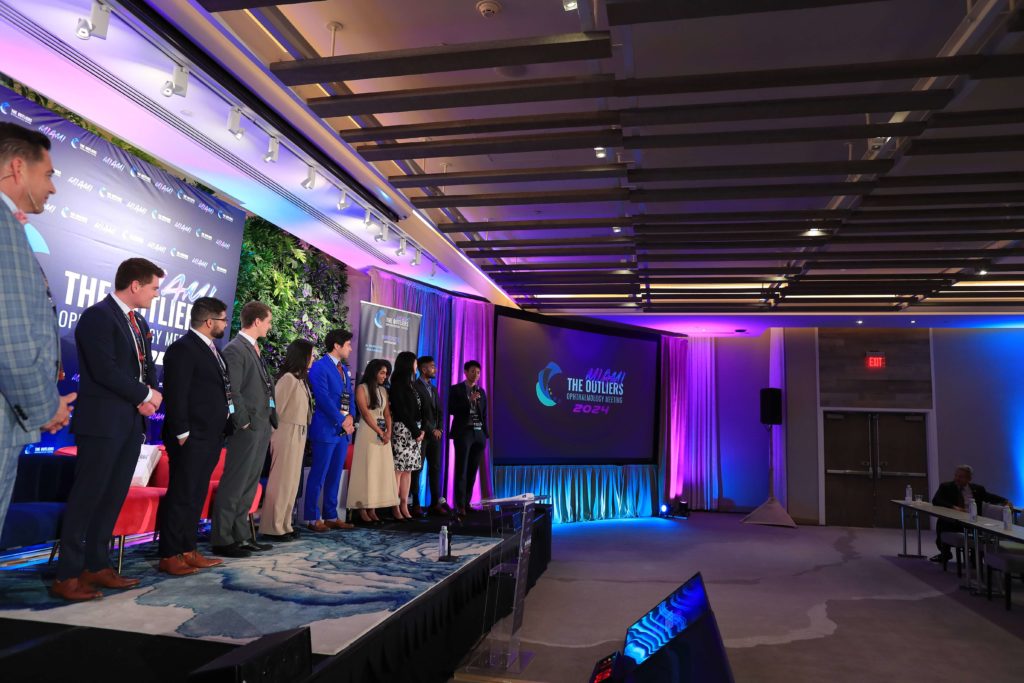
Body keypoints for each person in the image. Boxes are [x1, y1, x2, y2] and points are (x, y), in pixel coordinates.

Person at [51, 258, 164, 601]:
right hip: (101, 423)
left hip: (130, 422)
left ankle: (96, 565)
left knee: (113, 496)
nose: (156, 294)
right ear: (135, 285)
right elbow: (104, 370)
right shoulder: (98, 316)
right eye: (154, 288)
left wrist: (150, 395)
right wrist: (144, 395)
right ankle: (67, 574)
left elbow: (146, 367)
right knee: (88, 496)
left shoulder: (139, 322)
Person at [0, 123, 74, 539]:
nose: (52, 187)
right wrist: (46, 406)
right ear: (17, 167)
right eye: (47, 174)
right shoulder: (4, 227)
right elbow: (8, 339)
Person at [157, 297, 232, 575]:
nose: (226, 324)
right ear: (209, 321)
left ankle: (188, 549)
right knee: (182, 494)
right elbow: (176, 393)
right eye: (223, 319)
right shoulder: (183, 348)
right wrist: (182, 432)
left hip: (211, 435)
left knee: (196, 493)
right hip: (190, 436)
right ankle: (169, 554)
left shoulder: (214, 351)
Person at [211, 301, 278, 558]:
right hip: (247, 428)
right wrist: (244, 421)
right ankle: (223, 538)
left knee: (249, 483)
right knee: (235, 482)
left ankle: (241, 535)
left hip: (261, 425)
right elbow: (232, 390)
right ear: (257, 321)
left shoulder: (253, 348)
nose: (270, 326)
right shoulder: (235, 349)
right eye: (268, 321)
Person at [260, 339, 315, 541]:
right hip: (285, 432)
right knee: (281, 480)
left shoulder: (301, 380)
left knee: (291, 482)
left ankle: (285, 524)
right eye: (311, 355)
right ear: (302, 356)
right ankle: (272, 526)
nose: (313, 358)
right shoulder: (288, 379)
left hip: (299, 432)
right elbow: (275, 411)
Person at [304, 329, 356, 532]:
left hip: (342, 432)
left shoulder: (344, 369)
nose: (350, 348)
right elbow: (323, 399)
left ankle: (331, 515)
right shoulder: (320, 367)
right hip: (326, 429)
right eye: (348, 344)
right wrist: (342, 420)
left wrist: (351, 417)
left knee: (335, 475)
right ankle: (311, 517)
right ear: (336, 345)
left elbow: (350, 396)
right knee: (319, 474)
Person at [346, 359, 399, 524]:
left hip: (383, 434)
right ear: (374, 372)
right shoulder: (361, 388)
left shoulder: (383, 390)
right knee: (366, 469)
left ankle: (373, 508)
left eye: (386, 373)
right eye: (382, 373)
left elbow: (387, 413)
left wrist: (388, 432)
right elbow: (365, 413)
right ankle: (362, 508)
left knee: (378, 471)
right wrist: (380, 431)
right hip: (368, 432)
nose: (385, 376)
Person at [930, 464, 1009, 563]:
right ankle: (945, 553)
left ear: (969, 478)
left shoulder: (978, 489)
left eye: (961, 477)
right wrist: (953, 507)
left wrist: (1005, 501)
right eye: (956, 475)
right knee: (942, 522)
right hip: (954, 522)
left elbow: (989, 497)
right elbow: (936, 500)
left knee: (982, 532)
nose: (957, 479)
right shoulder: (946, 487)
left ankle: (975, 558)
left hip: (973, 521)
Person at [449, 360, 488, 517]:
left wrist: (484, 433)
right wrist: (469, 401)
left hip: (479, 433)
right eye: (473, 371)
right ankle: (459, 505)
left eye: (478, 372)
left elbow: (484, 413)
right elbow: (451, 409)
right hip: (463, 432)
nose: (476, 375)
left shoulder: (481, 391)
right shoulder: (456, 389)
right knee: (461, 469)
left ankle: (467, 502)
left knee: (473, 470)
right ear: (465, 372)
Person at [388, 351, 424, 521]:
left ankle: (404, 504)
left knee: (408, 470)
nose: (416, 366)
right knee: (399, 470)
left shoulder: (411, 384)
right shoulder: (397, 385)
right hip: (403, 430)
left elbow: (417, 410)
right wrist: (415, 431)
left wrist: (420, 429)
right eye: (415, 363)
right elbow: (401, 411)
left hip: (414, 431)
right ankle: (394, 505)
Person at [412, 355, 448, 516]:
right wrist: (431, 428)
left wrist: (439, 428)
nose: (435, 369)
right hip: (421, 434)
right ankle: (416, 504)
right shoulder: (415, 386)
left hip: (435, 436)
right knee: (417, 469)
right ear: (423, 369)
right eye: (432, 366)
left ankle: (435, 504)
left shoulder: (433, 388)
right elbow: (419, 412)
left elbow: (439, 411)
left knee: (435, 468)